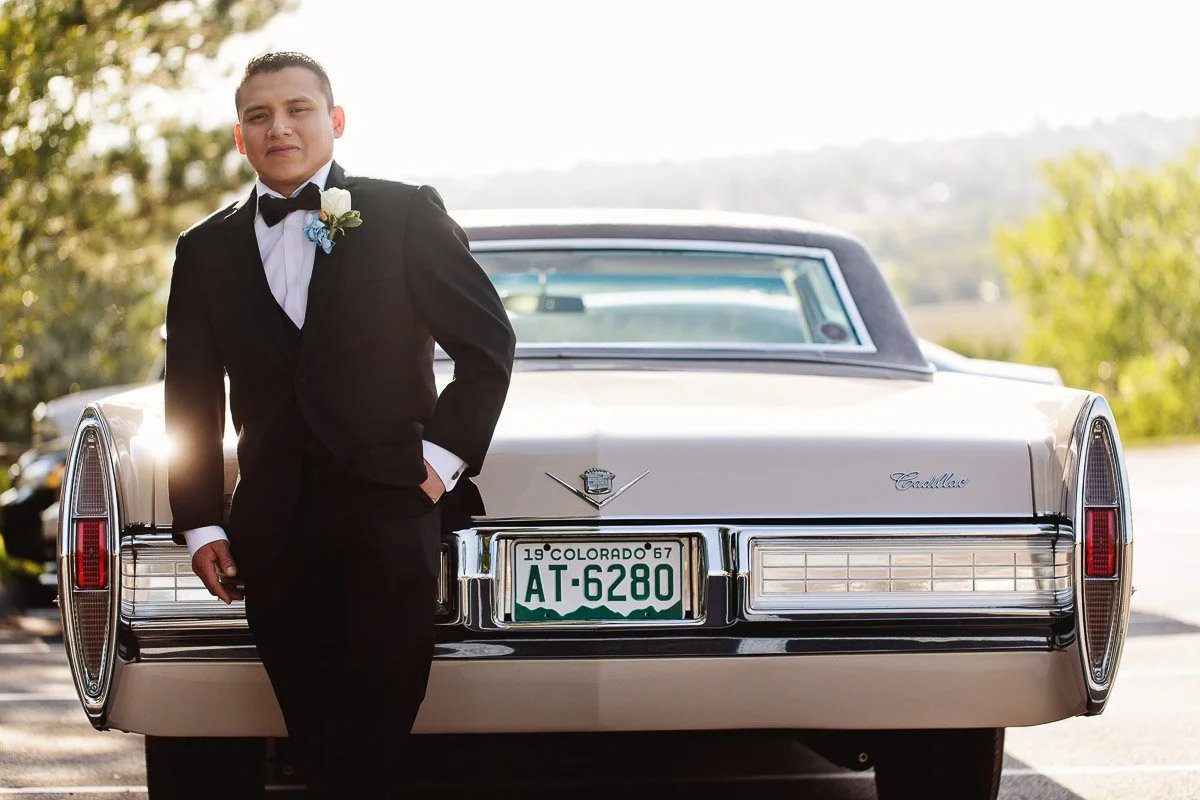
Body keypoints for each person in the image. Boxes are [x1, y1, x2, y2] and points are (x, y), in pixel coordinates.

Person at [164, 51, 515, 798]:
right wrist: (200, 523)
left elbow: (487, 346)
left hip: (390, 507)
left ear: (336, 121)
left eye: (297, 109)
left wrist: (440, 461)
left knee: (376, 719)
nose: (279, 127)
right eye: (259, 116)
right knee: (313, 728)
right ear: (239, 138)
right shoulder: (202, 250)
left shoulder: (403, 212)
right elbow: (191, 397)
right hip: (274, 523)